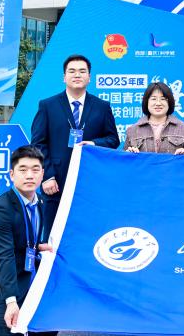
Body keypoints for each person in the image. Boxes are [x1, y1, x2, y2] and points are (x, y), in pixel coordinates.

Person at [0, 145, 68, 336]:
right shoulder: (1, 209)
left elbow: (24, 238)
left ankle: (42, 335)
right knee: (13, 335)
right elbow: (4, 257)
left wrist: (38, 246)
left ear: (42, 174)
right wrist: (11, 302)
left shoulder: (39, 202)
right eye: (23, 170)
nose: (29, 175)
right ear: (12, 174)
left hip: (26, 272)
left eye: (35, 170)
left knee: (55, 308)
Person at [30, 54, 119, 223]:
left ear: (89, 77)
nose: (77, 75)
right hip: (55, 183)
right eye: (72, 71)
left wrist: (93, 144)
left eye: (82, 71)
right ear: (64, 77)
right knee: (52, 233)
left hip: (91, 182)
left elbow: (113, 139)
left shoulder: (102, 107)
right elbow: (37, 144)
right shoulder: (48, 105)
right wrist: (47, 176)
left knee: (88, 229)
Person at [124, 82, 184, 154]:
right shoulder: (132, 130)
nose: (158, 103)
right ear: (146, 102)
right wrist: (129, 153)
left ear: (169, 102)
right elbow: (123, 158)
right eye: (154, 99)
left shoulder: (183, 128)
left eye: (163, 99)